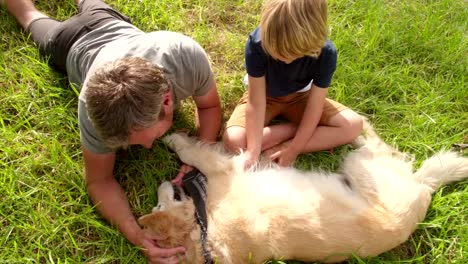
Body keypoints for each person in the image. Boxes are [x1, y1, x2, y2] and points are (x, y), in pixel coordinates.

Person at [2, 0, 222, 263]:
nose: (150, 147)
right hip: (69, 43)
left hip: (110, 22)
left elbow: (210, 106)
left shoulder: (184, 56)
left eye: (146, 137)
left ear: (167, 101)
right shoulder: (91, 110)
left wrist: (199, 152)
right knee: (29, 16)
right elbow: (99, 181)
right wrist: (136, 235)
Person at [223, 0, 363, 168]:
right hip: (265, 97)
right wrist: (253, 152)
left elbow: (314, 106)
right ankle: (296, 129)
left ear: (313, 40)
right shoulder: (257, 44)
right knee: (234, 140)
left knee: (353, 125)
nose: (285, 59)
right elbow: (256, 102)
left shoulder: (326, 53)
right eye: (277, 51)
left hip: (301, 97)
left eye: (293, 53)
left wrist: (294, 148)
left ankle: (294, 136)